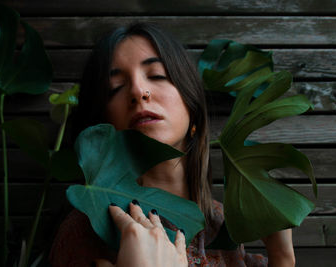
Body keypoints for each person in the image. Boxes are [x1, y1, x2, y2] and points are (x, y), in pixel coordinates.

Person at [49, 23, 295, 267]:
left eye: (157, 75)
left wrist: (282, 256)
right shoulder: (88, 228)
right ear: (103, 122)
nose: (138, 91)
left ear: (193, 108)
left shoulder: (220, 222)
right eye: (115, 88)